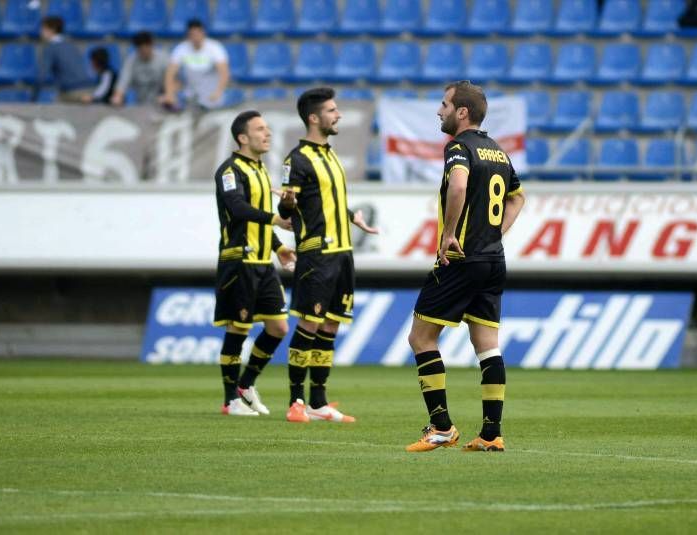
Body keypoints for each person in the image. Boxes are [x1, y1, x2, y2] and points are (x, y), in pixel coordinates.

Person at [404, 81, 525, 453]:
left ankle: (441, 427)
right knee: (487, 346)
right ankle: (491, 434)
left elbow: (458, 187)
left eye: (444, 104)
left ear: (462, 112)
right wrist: (494, 233)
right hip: (492, 259)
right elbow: (518, 198)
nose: (439, 111)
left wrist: (449, 234)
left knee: (421, 338)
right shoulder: (499, 152)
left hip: (461, 258)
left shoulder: (458, 147)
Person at [276, 87, 379, 424]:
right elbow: (287, 205)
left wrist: (352, 216)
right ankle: (296, 401)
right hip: (316, 252)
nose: (339, 115)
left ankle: (318, 403)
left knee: (331, 325)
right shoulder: (297, 159)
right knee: (309, 323)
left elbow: (326, 199)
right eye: (332, 111)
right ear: (314, 118)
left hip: (342, 252)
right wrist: (287, 203)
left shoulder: (331, 155)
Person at [214, 110, 296, 417]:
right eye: (260, 129)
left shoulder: (261, 170)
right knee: (239, 328)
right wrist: (276, 219)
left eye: (268, 128)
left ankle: (245, 385)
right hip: (239, 260)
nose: (268, 133)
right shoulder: (229, 170)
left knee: (277, 327)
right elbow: (237, 209)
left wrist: (277, 248)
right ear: (242, 137)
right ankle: (229, 400)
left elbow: (258, 217)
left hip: (262, 261)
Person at [162, 19, 229, 111]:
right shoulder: (181, 49)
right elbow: (170, 73)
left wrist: (218, 92)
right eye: (192, 35)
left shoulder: (215, 48)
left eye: (198, 34)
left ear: (203, 33)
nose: (196, 37)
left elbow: (224, 73)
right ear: (188, 35)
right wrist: (169, 93)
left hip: (211, 96)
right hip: (190, 96)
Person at [37, 16, 92, 103]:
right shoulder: (71, 44)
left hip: (71, 91)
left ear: (52, 30)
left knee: (53, 113)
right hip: (88, 89)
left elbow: (42, 75)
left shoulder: (51, 47)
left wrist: (33, 96)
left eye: (43, 29)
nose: (41, 33)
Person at [111, 31, 168, 107]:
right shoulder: (131, 61)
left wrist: (168, 95)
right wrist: (118, 96)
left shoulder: (164, 59)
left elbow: (175, 82)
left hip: (161, 103)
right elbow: (123, 82)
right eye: (141, 50)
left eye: (146, 48)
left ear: (152, 45)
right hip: (140, 104)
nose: (144, 52)